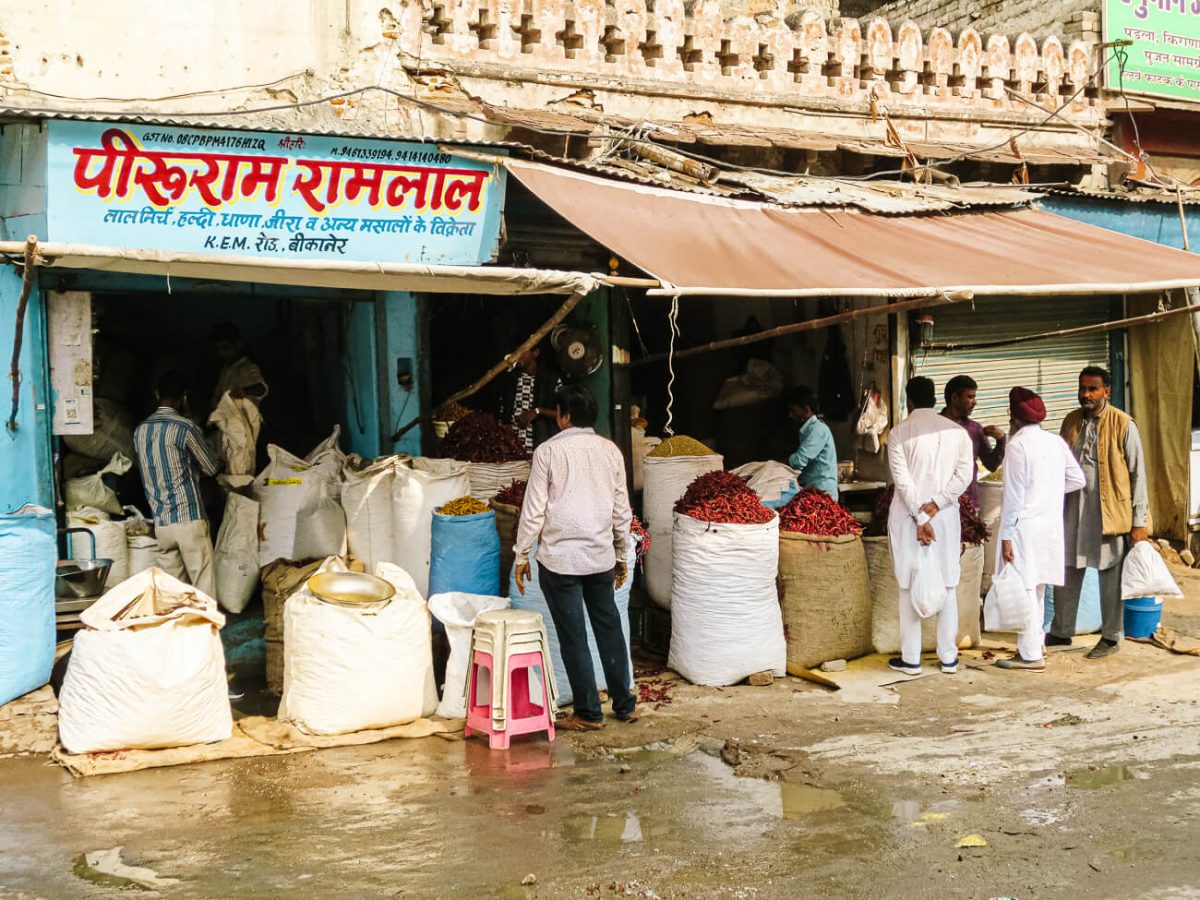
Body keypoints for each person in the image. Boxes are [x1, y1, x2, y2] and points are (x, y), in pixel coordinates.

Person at [513, 384, 638, 731]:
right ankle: (625, 705)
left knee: (573, 636)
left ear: (564, 416)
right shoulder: (610, 451)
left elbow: (534, 510)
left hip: (560, 560)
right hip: (600, 558)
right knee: (609, 628)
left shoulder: (547, 453)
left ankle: (588, 712)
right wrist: (621, 553)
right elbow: (621, 509)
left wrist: (522, 553)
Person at [1052, 366, 1149, 659]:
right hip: (1072, 509)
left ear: (1107, 391)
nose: (1086, 395)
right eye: (1082, 388)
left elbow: (1138, 474)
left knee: (1110, 575)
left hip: (1109, 512)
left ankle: (1111, 637)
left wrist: (1139, 522)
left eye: (1092, 389)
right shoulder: (1071, 421)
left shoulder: (1123, 424)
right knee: (1067, 568)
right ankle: (1061, 631)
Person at [886, 376, 974, 676]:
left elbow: (902, 481)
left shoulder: (899, 433)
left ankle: (911, 659)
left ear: (908, 400)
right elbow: (964, 477)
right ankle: (948, 658)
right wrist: (937, 504)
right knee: (948, 583)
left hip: (910, 519)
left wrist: (920, 516)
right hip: (945, 518)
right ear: (936, 400)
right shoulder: (958, 433)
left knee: (908, 585)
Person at [994, 388, 1085, 672]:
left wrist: (1007, 535)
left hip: (1024, 527)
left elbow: (1013, 496)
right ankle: (1034, 646)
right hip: (1049, 527)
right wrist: (1051, 493)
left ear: (1014, 417)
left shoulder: (1017, 446)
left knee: (1025, 589)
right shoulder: (1055, 442)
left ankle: (1030, 655)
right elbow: (1077, 479)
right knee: (1037, 589)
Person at [134, 370, 220, 598]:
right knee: (204, 589)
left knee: (174, 594)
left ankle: (180, 631)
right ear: (184, 397)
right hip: (189, 518)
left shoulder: (140, 431)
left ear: (156, 394)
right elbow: (211, 467)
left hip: (162, 522)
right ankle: (207, 630)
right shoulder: (185, 428)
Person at [941, 374, 1006, 508]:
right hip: (939, 503)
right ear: (955, 398)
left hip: (968, 503)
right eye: (970, 397)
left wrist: (1001, 440)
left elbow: (991, 464)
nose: (974, 402)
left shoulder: (975, 430)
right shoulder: (934, 427)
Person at [498, 345, 560, 452]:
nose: (517, 356)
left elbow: (565, 414)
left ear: (535, 352)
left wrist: (538, 411)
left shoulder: (551, 380)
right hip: (512, 450)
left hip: (540, 448)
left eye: (522, 351)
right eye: (515, 352)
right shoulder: (510, 379)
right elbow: (501, 415)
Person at [785, 386, 839, 499]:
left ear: (806, 410)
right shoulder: (807, 430)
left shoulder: (818, 430)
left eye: (794, 411)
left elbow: (799, 460)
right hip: (812, 491)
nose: (790, 415)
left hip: (822, 492)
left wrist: (777, 465)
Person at [210, 322, 269, 410]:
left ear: (238, 344)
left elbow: (261, 388)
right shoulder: (226, 368)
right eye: (217, 349)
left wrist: (243, 391)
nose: (221, 353)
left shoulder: (248, 367)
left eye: (225, 348)